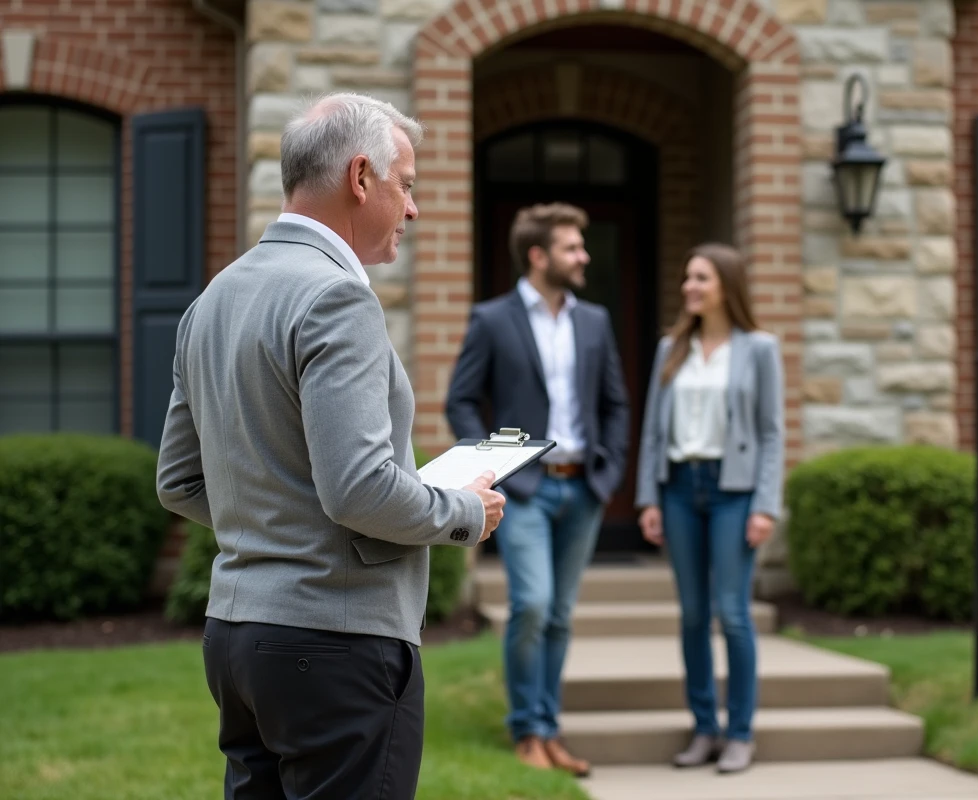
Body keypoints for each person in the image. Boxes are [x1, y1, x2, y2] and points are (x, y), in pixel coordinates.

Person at [156, 92, 505, 800]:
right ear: (360, 177)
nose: (413, 209)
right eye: (406, 185)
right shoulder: (336, 298)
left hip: (237, 639)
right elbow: (358, 489)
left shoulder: (213, 300)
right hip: (334, 646)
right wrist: (461, 509)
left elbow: (180, 482)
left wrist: (273, 529)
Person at [444, 202, 629, 777]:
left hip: (583, 488)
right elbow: (461, 399)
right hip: (523, 491)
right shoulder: (493, 319)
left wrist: (608, 472)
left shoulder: (594, 320)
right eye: (573, 247)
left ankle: (549, 730)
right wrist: (495, 468)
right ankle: (527, 730)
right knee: (533, 605)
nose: (584, 256)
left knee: (561, 615)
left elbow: (614, 403)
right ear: (538, 255)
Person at [634, 243, 784, 775]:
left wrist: (766, 504)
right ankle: (704, 727)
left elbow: (771, 432)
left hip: (733, 491)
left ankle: (740, 732)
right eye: (687, 278)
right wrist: (648, 496)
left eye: (700, 278)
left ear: (727, 284)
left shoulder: (759, 349)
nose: (689, 287)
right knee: (694, 614)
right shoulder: (671, 349)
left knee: (734, 614)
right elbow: (653, 428)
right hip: (679, 488)